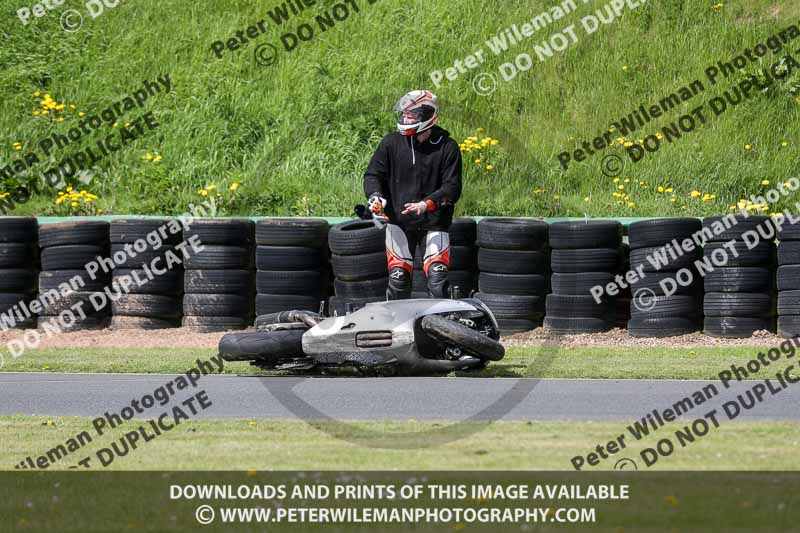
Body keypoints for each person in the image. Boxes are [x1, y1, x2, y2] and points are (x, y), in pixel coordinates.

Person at [363, 90, 463, 300]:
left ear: (428, 115)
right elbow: (373, 175)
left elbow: (452, 188)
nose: (406, 118)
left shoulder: (448, 147)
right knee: (398, 280)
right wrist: (375, 196)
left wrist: (426, 204)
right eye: (405, 114)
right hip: (398, 222)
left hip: (434, 222)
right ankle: (396, 320)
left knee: (437, 279)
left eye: (412, 115)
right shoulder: (390, 142)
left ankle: (442, 320)